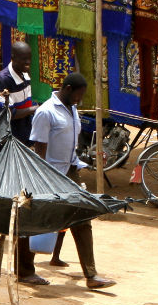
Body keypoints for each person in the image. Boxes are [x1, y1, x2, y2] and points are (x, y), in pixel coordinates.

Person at [16, 72, 116, 290]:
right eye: (78, 95)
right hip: (49, 174)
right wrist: (40, 181)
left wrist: (82, 161)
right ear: (68, 88)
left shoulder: (72, 109)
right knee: (34, 220)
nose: (80, 100)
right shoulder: (46, 112)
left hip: (70, 172)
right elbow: (39, 148)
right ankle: (24, 270)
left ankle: (91, 275)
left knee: (82, 219)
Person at [0, 41, 36, 141]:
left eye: (29, 58)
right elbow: (5, 114)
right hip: (5, 137)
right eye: (24, 59)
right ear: (13, 58)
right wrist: (34, 109)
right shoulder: (2, 80)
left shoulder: (25, 73)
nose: (28, 62)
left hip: (23, 132)